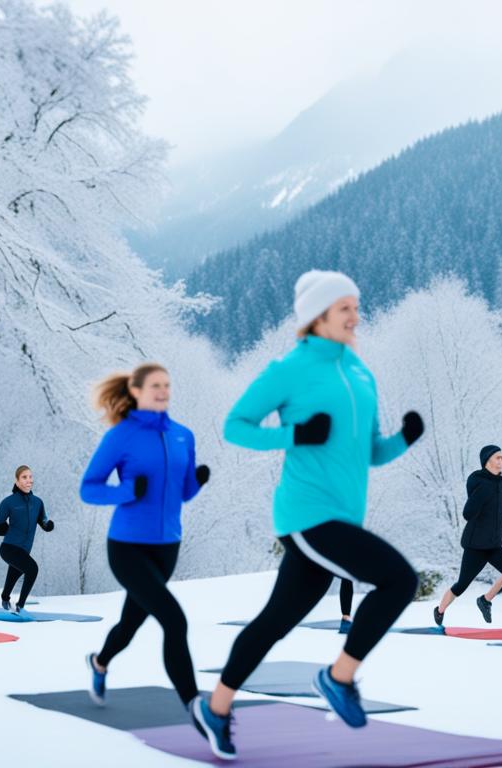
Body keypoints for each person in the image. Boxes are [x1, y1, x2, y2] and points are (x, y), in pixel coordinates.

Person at [193, 270, 423, 761]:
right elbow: (235, 426)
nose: (355, 316)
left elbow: (371, 454)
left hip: (342, 518)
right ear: (317, 316)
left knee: (275, 621)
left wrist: (404, 438)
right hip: (308, 514)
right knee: (399, 580)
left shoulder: (361, 373)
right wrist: (294, 435)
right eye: (345, 308)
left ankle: (215, 706)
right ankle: (338, 678)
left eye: (356, 307)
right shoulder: (289, 370)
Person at [80, 364, 210, 713]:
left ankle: (100, 661)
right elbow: (88, 489)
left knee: (130, 624)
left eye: (167, 384)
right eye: (155, 385)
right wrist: (124, 491)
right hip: (127, 547)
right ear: (136, 391)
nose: (163, 390)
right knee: (174, 620)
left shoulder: (183, 435)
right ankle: (196, 707)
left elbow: (182, 494)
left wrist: (197, 480)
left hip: (168, 546)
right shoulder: (121, 435)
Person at [434, 445, 502, 626]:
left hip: (494, 545)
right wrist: (480, 496)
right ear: (487, 460)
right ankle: (440, 610)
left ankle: (485, 600)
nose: (501, 461)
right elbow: (468, 513)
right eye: (497, 457)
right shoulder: (477, 480)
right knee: (461, 585)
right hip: (475, 544)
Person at [0, 465, 53, 615]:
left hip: (24, 550)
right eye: (24, 477)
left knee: (15, 572)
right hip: (9, 547)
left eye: (30, 477)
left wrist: (48, 525)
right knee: (32, 569)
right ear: (17, 481)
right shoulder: (8, 502)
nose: (29, 480)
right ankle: (20, 606)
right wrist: (4, 528)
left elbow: (43, 521)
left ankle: (4, 597)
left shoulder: (38, 502)